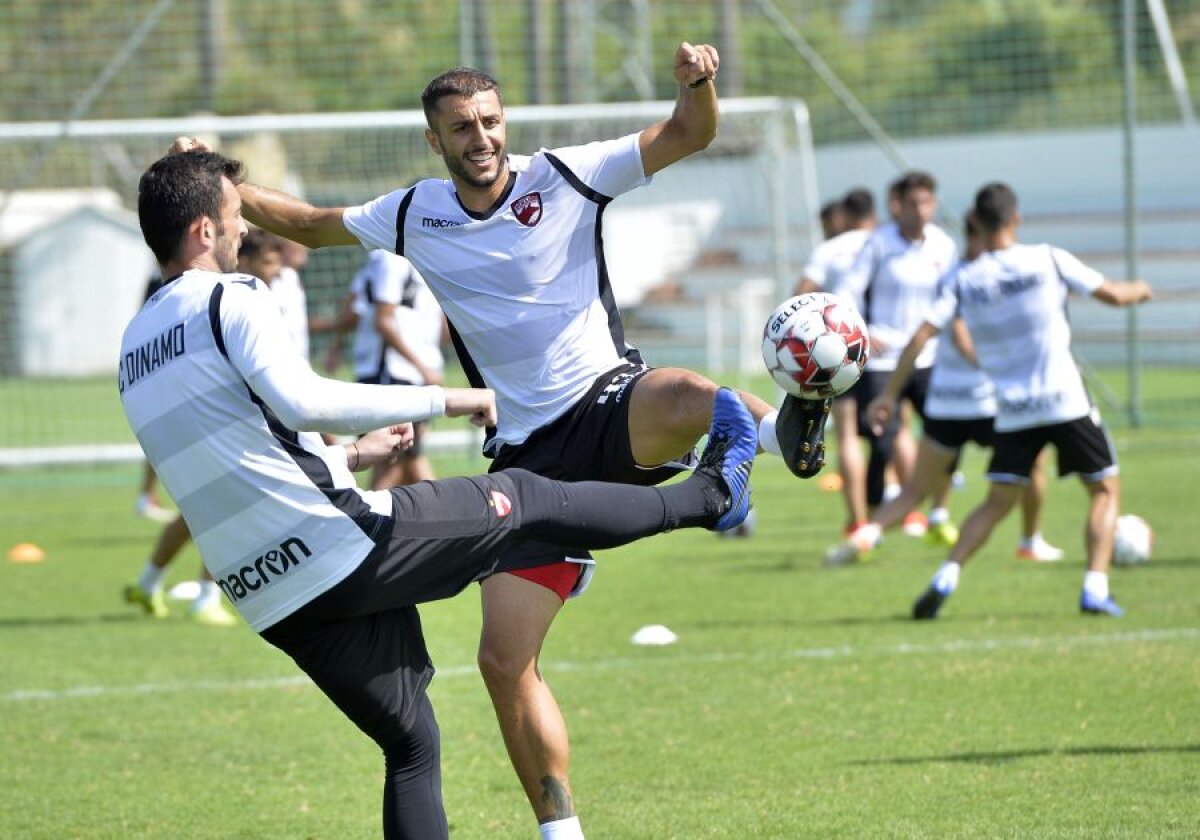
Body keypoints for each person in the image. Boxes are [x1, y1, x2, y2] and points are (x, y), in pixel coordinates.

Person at [169, 41, 831, 837]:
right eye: (461, 127)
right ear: (435, 140)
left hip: (610, 400)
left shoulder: (568, 175)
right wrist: (219, 180)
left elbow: (689, 134)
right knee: (502, 663)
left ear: (503, 121)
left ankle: (780, 434)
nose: (480, 137)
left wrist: (700, 84)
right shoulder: (416, 213)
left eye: (488, 120)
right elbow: (309, 223)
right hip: (526, 457)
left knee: (694, 394)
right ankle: (562, 831)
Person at [867, 182, 1151, 619]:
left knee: (997, 502)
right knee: (1104, 490)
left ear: (977, 223)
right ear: (1016, 218)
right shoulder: (1047, 258)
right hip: (1065, 401)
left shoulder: (965, 279)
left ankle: (947, 575)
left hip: (1014, 410)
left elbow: (922, 334)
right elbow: (1113, 294)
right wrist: (1142, 289)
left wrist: (888, 393)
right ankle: (1095, 587)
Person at [824, 211, 1063, 566]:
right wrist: (995, 365)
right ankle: (1029, 540)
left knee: (914, 489)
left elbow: (923, 336)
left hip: (946, 403)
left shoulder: (953, 275)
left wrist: (891, 392)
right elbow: (949, 333)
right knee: (1035, 460)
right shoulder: (977, 279)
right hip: (986, 401)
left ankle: (865, 536)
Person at [122, 229, 287, 628]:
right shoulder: (228, 297)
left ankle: (149, 582)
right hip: (233, 414)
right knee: (232, 508)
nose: (276, 271)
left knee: (201, 510)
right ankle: (206, 597)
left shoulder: (267, 291)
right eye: (268, 263)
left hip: (233, 412)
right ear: (243, 260)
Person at [839, 171, 958, 541]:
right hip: (884, 361)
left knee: (947, 436)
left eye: (927, 202)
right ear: (898, 206)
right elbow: (848, 290)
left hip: (928, 358)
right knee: (891, 438)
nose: (921, 210)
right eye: (913, 203)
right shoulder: (878, 244)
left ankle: (937, 513)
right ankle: (899, 516)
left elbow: (954, 297)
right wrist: (863, 331)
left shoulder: (943, 245)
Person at [795, 187, 879, 538]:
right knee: (897, 428)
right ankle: (916, 514)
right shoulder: (886, 243)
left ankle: (858, 519)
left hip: (842, 349)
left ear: (844, 216)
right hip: (887, 349)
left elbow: (801, 292)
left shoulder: (831, 249)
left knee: (846, 435)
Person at [346, 250, 448, 489]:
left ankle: (439, 516)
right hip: (393, 373)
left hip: (417, 374)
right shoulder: (390, 259)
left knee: (409, 457)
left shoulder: (427, 260)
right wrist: (423, 367)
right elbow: (383, 321)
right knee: (393, 459)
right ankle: (369, 523)